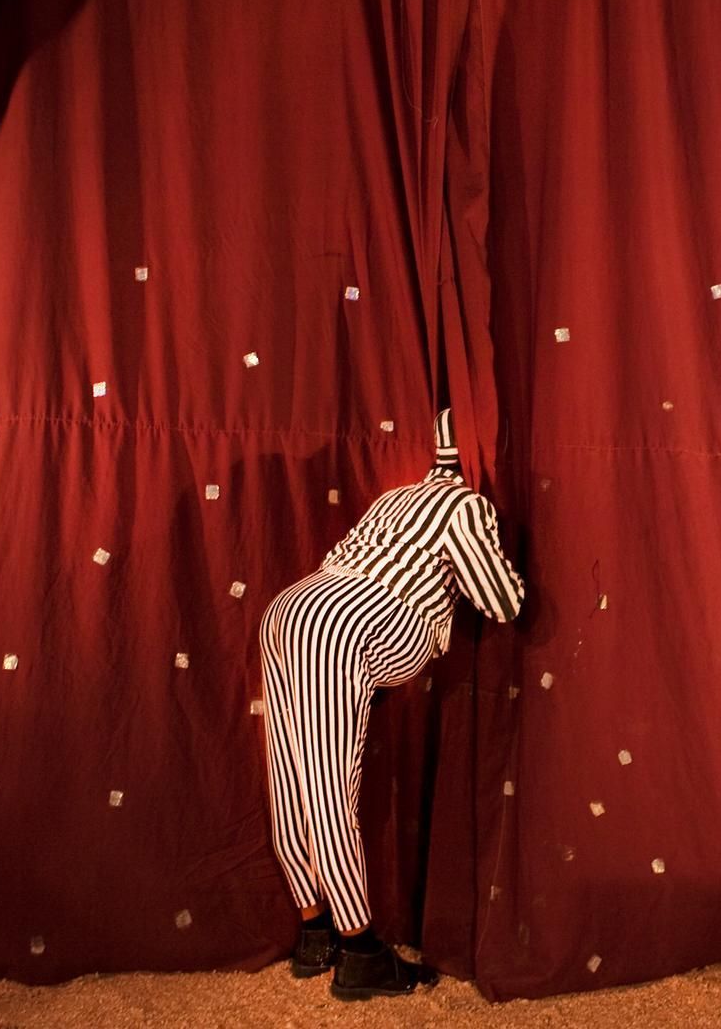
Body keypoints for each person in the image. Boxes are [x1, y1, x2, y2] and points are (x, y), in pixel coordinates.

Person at [259, 408, 526, 1000]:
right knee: (328, 789)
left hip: (290, 609)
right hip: (337, 626)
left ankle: (313, 932)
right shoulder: (466, 507)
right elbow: (502, 601)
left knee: (291, 777)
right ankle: (360, 951)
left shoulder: (394, 498)